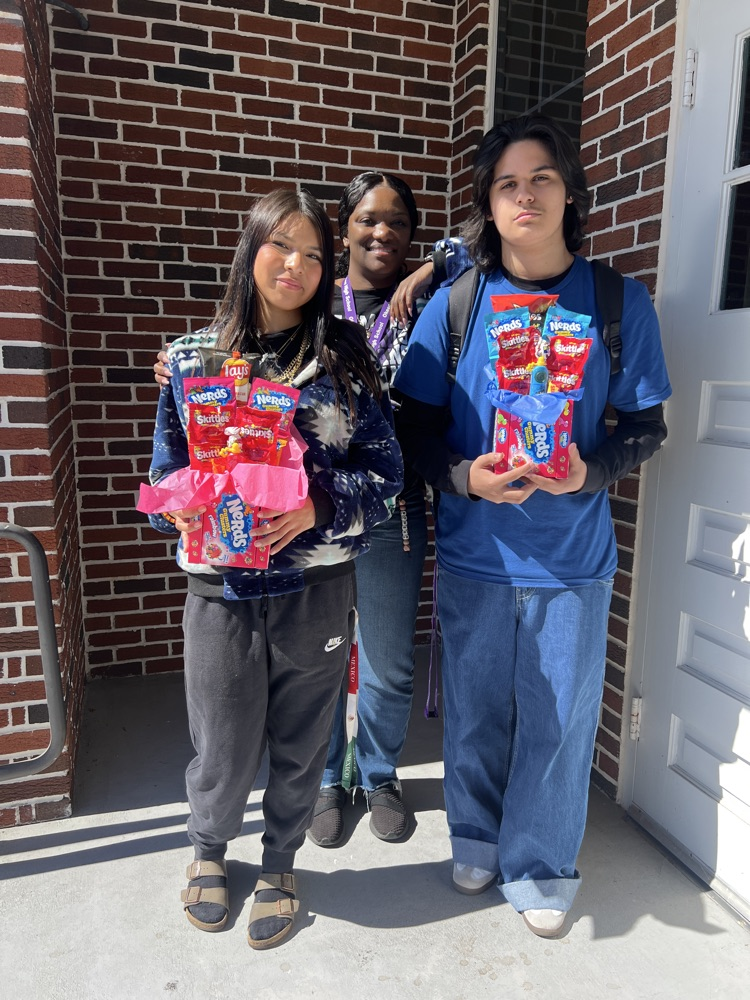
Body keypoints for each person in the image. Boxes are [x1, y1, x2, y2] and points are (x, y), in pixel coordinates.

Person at [393, 114, 671, 938]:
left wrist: (595, 470)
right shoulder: (457, 306)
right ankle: (476, 836)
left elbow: (645, 425)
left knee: (560, 719)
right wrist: (463, 478)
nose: (525, 194)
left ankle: (543, 863)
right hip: (477, 556)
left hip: (574, 560)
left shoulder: (618, 302)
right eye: (508, 182)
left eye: (541, 177)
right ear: (487, 200)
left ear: (570, 191)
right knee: (477, 712)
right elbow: (410, 426)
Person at [146, 189, 402, 950]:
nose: (296, 265)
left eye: (315, 253)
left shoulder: (344, 363)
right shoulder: (193, 360)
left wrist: (319, 506)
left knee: (302, 740)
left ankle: (282, 864)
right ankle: (207, 851)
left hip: (316, 587)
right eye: (280, 245)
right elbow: (166, 471)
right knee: (220, 741)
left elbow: (386, 475)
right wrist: (177, 510)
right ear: (250, 247)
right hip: (219, 588)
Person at [309, 172, 428, 847]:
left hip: (395, 506)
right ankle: (330, 777)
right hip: (318, 507)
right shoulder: (315, 301)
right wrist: (181, 366)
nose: (382, 232)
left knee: (387, 658)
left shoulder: (433, 298)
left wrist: (435, 263)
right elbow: (245, 347)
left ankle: (380, 774)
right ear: (345, 226)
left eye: (397, 222)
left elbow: (480, 249)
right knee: (322, 651)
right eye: (367, 219)